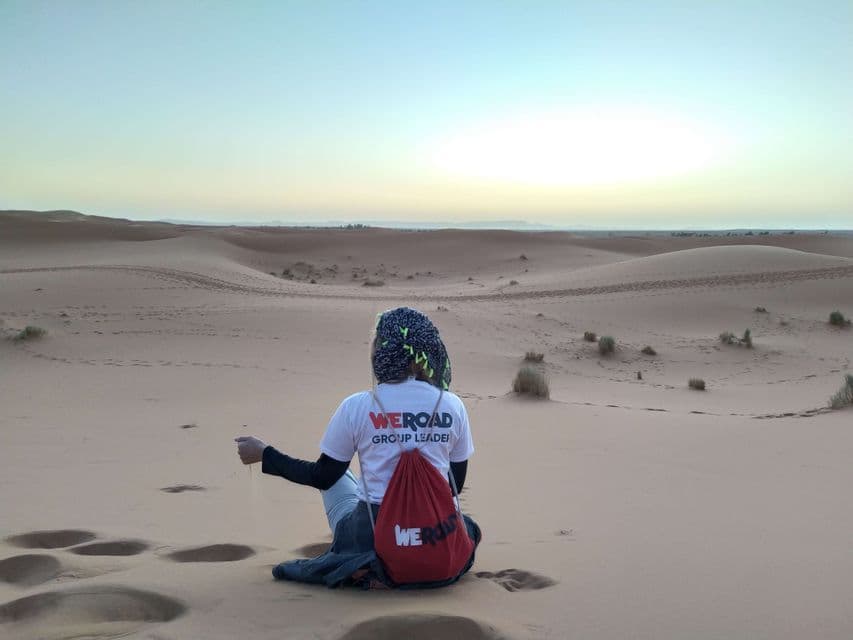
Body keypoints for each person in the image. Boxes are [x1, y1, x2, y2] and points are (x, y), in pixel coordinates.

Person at [235, 306, 481, 588]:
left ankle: (368, 564)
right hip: (438, 537)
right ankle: (404, 562)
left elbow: (322, 476)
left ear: (382, 351)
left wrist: (265, 454)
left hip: (374, 532)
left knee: (340, 476)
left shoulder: (358, 406)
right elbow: (454, 486)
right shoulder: (453, 406)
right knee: (468, 526)